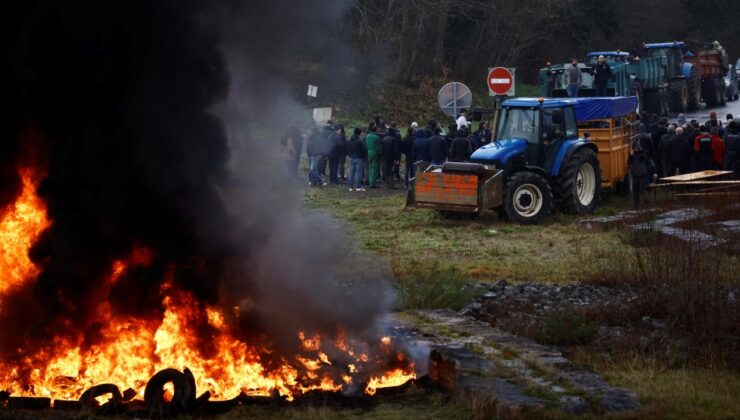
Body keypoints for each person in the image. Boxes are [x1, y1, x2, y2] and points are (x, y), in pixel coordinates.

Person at [628, 140, 656, 209]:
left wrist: (654, 172)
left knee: (642, 189)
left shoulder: (644, 153)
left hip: (643, 174)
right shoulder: (632, 155)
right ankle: (636, 206)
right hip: (635, 174)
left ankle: (646, 204)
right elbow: (629, 163)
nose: (634, 149)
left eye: (635, 148)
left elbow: (650, 162)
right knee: (635, 191)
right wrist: (631, 156)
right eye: (633, 148)